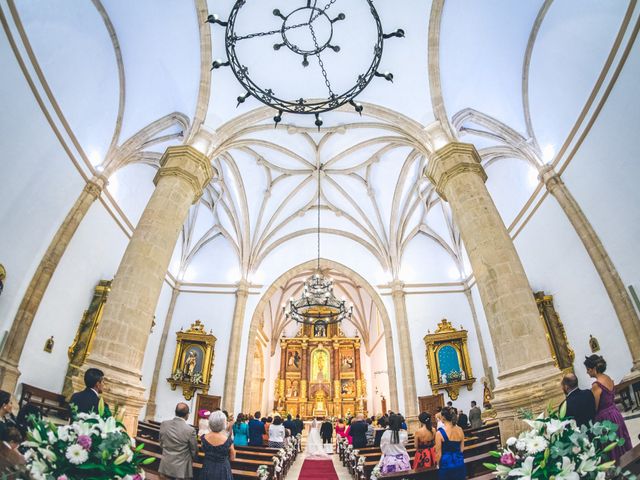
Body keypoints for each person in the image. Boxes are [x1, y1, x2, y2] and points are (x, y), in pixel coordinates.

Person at [585, 354, 631, 461]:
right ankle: (629, 464)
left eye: (588, 369)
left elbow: (595, 407)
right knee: (620, 440)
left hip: (605, 418)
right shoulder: (608, 378)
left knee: (611, 447)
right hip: (615, 413)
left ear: (594, 369)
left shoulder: (596, 385)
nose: (587, 372)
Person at [158, 403, 198, 480]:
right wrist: (194, 459)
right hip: (181, 470)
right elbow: (194, 450)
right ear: (187, 414)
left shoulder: (164, 424)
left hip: (165, 464)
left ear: (175, 412)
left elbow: (161, 443)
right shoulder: (190, 430)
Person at [201, 410, 235, 480]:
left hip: (207, 467)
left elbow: (203, 448)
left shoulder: (204, 438)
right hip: (222, 469)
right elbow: (232, 458)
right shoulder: (227, 440)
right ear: (223, 423)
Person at [435, 406, 466, 480]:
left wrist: (438, 465)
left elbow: (438, 454)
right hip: (459, 462)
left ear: (443, 417)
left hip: (446, 465)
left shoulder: (439, 433)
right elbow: (462, 449)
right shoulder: (460, 429)